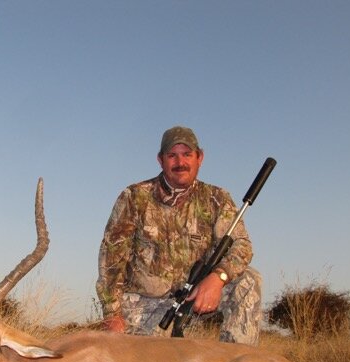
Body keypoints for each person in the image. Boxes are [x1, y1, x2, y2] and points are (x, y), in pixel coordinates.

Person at [96, 126, 262, 345]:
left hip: (195, 299)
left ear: (199, 158)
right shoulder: (134, 197)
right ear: (161, 160)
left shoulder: (217, 198)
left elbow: (241, 245)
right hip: (145, 306)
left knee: (248, 280)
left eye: (187, 155)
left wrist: (217, 278)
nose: (180, 162)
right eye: (172, 155)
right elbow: (111, 260)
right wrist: (112, 316)